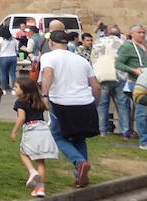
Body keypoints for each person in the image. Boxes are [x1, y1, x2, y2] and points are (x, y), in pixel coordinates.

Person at [40, 29, 101, 187]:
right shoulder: (81, 60)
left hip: (62, 102)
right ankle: (81, 174)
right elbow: (96, 86)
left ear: (51, 43)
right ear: (67, 43)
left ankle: (79, 162)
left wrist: (44, 95)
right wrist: (95, 103)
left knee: (58, 136)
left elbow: (48, 74)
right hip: (85, 102)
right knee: (79, 137)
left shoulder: (48, 57)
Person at [10, 76, 58, 197]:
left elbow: (21, 118)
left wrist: (14, 131)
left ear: (24, 89)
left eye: (16, 87)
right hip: (43, 130)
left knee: (23, 153)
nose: (14, 89)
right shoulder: (38, 101)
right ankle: (40, 188)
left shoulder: (20, 102)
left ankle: (32, 172)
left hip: (31, 130)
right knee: (41, 161)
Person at [114, 25, 147, 140]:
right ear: (132, 34)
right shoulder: (127, 46)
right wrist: (133, 70)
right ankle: (144, 138)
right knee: (142, 111)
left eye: (143, 32)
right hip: (136, 82)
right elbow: (118, 64)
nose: (142, 35)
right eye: (139, 32)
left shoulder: (145, 46)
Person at [0, 25, 20, 94]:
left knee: (3, 73)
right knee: (13, 74)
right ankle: (14, 89)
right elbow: (17, 48)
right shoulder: (13, 39)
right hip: (13, 56)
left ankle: (4, 89)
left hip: (3, 57)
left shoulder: (0, 39)